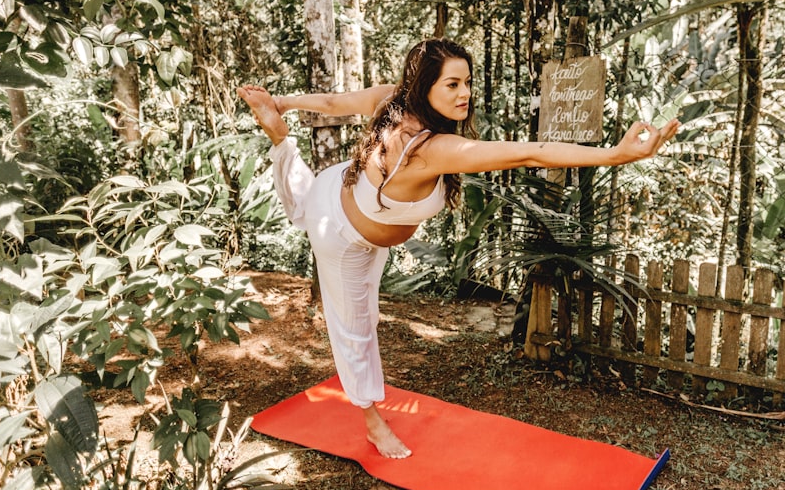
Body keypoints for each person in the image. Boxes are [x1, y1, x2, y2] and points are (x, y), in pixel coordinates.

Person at [237, 38, 680, 459]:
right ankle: (372, 421)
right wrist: (613, 156)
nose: (464, 93)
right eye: (452, 84)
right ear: (424, 86)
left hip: (342, 190)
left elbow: (333, 105)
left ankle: (280, 136)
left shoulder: (395, 103)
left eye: (467, 82)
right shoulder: (432, 149)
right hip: (342, 235)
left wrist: (286, 103)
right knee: (355, 327)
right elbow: (531, 154)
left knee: (327, 242)